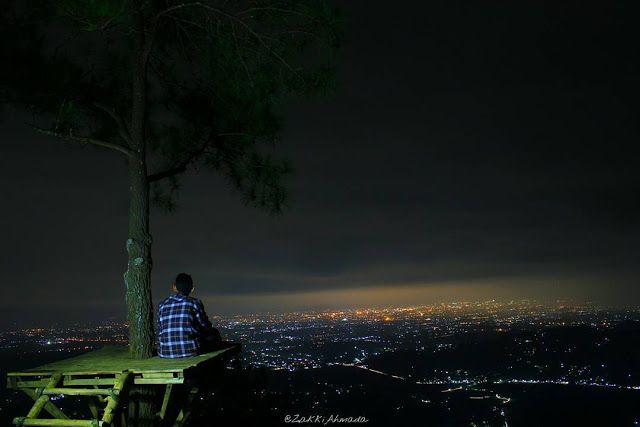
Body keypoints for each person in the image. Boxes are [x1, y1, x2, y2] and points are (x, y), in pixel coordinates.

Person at [157, 273, 222, 358]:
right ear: (192, 289)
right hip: (189, 351)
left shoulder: (162, 305)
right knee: (214, 334)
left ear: (174, 287)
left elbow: (160, 328)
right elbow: (205, 326)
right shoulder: (194, 303)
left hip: (165, 353)